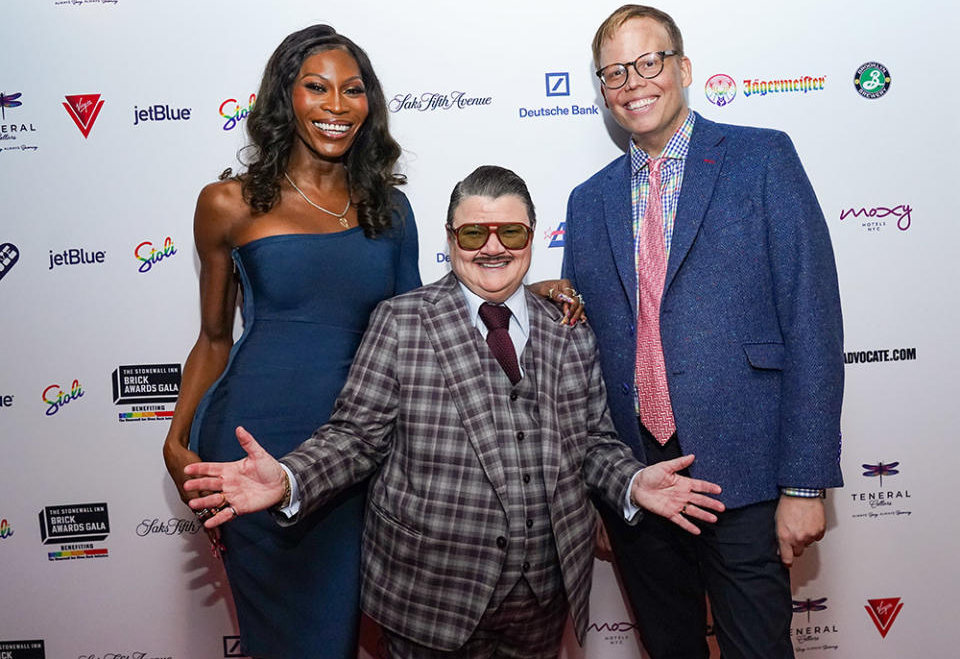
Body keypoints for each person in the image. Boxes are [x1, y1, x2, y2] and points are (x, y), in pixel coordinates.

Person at [183, 165, 725, 659]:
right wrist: (288, 476)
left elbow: (593, 444)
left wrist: (632, 484)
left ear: (531, 238)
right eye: (474, 233)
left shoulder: (569, 330)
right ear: (451, 240)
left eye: (510, 232)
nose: (493, 247)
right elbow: (356, 438)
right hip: (430, 599)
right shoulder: (401, 321)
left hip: (542, 601)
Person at [561, 5, 844, 659]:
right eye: (614, 72)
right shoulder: (588, 200)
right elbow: (584, 356)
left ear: (683, 68)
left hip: (745, 476)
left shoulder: (761, 159)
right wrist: (604, 488)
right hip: (639, 483)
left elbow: (812, 321)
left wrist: (804, 483)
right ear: (602, 90)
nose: (633, 82)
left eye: (648, 61)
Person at [161, 24, 422, 659]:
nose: (336, 106)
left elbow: (422, 325)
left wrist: (523, 290)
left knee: (355, 632)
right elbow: (215, 339)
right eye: (317, 87)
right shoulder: (228, 204)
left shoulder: (390, 208)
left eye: (353, 90)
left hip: (361, 451)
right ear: (286, 95)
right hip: (254, 445)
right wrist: (175, 436)